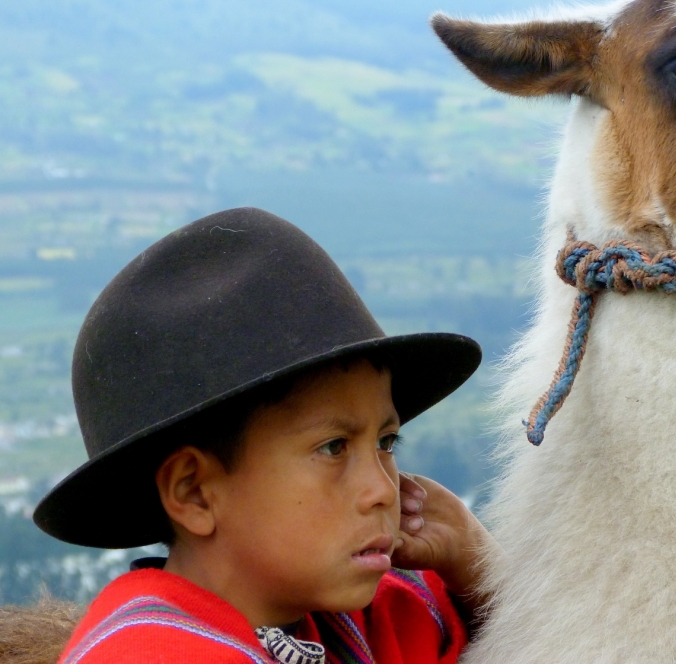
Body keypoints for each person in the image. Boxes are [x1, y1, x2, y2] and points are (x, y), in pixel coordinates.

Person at [32, 207, 492, 664]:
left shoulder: (382, 620)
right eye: (333, 447)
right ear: (195, 492)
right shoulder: (145, 655)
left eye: (386, 442)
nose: (381, 490)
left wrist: (477, 562)